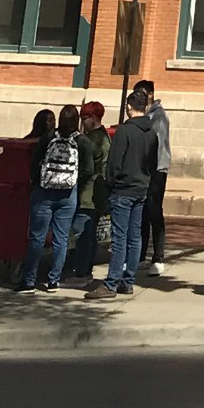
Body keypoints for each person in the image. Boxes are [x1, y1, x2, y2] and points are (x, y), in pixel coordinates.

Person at [91, 81, 159, 299]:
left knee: (120, 238)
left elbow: (113, 163)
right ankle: (128, 280)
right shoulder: (152, 133)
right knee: (134, 236)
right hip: (141, 188)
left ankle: (111, 282)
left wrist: (111, 183)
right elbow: (153, 163)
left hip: (123, 190)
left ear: (129, 107)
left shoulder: (125, 132)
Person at [17, 105, 81, 292]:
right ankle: (54, 281)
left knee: (37, 237)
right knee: (61, 238)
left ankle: (29, 281)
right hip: (68, 193)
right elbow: (87, 168)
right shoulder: (80, 141)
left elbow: (35, 159)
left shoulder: (49, 137)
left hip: (44, 191)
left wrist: (36, 180)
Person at [67, 101, 110, 285]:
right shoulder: (105, 136)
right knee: (90, 235)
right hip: (98, 193)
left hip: (88, 194)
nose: (82, 124)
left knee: (83, 235)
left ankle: (81, 273)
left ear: (92, 118)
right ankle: (86, 271)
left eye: (84, 119)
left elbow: (83, 165)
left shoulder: (92, 140)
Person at [140, 80, 172, 277]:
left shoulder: (158, 116)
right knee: (143, 212)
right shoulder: (147, 114)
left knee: (154, 211)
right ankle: (141, 256)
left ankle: (158, 257)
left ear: (151, 94)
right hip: (145, 170)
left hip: (157, 169)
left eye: (143, 93)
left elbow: (155, 144)